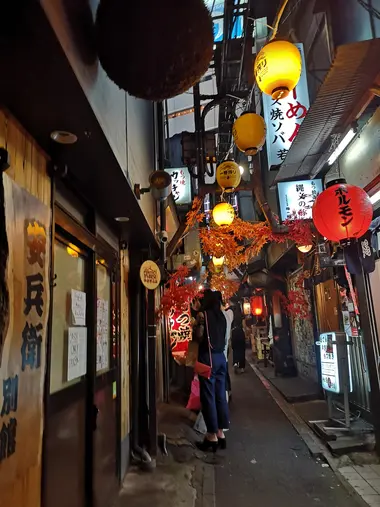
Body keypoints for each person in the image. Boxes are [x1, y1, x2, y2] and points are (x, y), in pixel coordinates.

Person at [194, 290, 229, 452]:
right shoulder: (222, 316)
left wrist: (195, 324)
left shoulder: (203, 315)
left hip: (208, 359)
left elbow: (198, 337)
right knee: (220, 395)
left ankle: (211, 436)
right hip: (221, 359)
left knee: (208, 396)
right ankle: (221, 433)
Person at [222, 302, 233, 400]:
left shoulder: (224, 315)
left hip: (220, 352)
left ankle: (226, 393)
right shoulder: (227, 314)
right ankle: (227, 391)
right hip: (224, 350)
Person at [231, 305, 246, 373]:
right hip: (240, 333)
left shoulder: (232, 316)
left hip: (234, 333)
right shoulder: (241, 315)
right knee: (241, 350)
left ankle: (235, 362)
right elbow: (244, 326)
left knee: (235, 350)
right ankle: (242, 367)